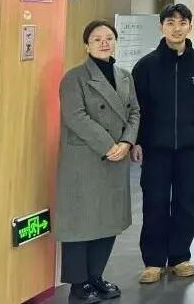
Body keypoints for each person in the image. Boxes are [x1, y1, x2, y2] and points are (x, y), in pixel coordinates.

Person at [132, 3, 194, 283]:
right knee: (155, 202)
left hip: (188, 148)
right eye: (170, 23)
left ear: (190, 27)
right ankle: (153, 261)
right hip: (154, 148)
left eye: (182, 23)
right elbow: (135, 108)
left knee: (185, 202)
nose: (176, 28)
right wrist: (136, 140)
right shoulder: (146, 66)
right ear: (161, 27)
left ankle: (180, 257)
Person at [56, 20, 140, 303]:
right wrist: (109, 146)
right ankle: (78, 286)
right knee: (81, 222)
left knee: (108, 220)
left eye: (109, 38)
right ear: (86, 45)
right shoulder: (74, 78)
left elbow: (135, 112)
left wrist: (126, 142)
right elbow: (76, 117)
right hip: (86, 159)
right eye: (96, 39)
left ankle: (96, 276)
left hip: (117, 157)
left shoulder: (125, 76)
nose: (104, 43)